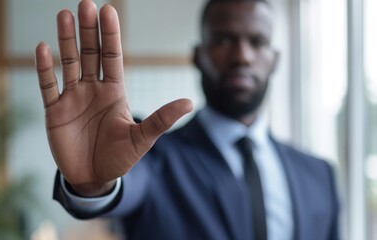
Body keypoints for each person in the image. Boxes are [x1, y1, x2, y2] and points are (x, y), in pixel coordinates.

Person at [35, 0, 339, 239]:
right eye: (223, 40)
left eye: (257, 41)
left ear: (274, 59)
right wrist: (94, 184)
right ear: (198, 55)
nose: (242, 56)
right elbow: (128, 182)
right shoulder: (153, 157)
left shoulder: (319, 175)